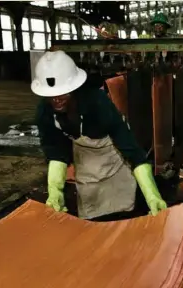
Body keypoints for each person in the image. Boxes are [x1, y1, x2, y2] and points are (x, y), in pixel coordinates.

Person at [32, 50, 167, 219]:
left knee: (124, 212)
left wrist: (152, 196)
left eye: (62, 93)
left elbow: (133, 152)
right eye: (51, 96)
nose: (56, 99)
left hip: (113, 158)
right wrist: (55, 192)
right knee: (91, 214)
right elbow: (56, 152)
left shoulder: (97, 103)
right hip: (87, 165)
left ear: (74, 89)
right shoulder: (45, 112)